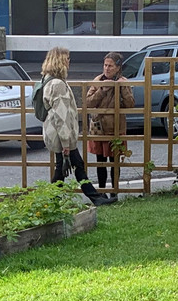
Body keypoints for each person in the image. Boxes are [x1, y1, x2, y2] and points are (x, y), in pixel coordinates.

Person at [40, 46, 118, 207]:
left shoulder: (48, 80)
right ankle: (52, 201)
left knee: (72, 167)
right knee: (64, 168)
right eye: (67, 59)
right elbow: (61, 116)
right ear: (60, 61)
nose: (69, 62)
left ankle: (92, 198)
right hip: (61, 135)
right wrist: (66, 143)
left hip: (57, 133)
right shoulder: (57, 84)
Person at [84, 52, 134, 197]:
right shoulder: (98, 80)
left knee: (114, 162)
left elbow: (130, 104)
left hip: (115, 129)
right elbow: (88, 102)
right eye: (105, 65)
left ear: (118, 67)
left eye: (110, 66)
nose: (107, 68)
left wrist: (122, 88)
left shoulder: (123, 81)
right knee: (100, 162)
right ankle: (102, 190)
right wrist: (102, 90)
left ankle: (114, 191)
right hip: (99, 129)